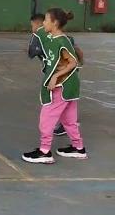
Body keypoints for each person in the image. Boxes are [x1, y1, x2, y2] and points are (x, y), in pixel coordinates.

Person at [22, 9, 87, 164]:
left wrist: (55, 77)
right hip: (70, 86)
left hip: (62, 85)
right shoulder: (51, 37)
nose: (43, 23)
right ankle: (78, 148)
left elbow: (73, 62)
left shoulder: (62, 41)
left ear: (55, 23)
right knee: (69, 119)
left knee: (47, 117)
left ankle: (44, 151)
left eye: (46, 20)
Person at [28, 13, 84, 137]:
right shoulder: (55, 37)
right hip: (66, 73)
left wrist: (54, 75)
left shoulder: (47, 36)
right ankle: (76, 145)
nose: (32, 28)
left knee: (51, 109)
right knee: (67, 104)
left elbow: (73, 58)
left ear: (39, 24)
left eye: (32, 25)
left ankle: (45, 149)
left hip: (63, 75)